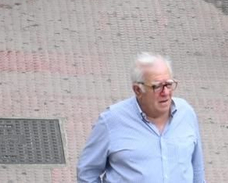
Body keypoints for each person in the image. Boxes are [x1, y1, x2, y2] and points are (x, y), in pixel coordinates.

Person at [76, 54, 205, 181]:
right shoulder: (111, 121)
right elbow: (87, 173)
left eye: (168, 84)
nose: (165, 93)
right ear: (138, 90)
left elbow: (197, 169)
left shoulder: (186, 113)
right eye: (157, 86)